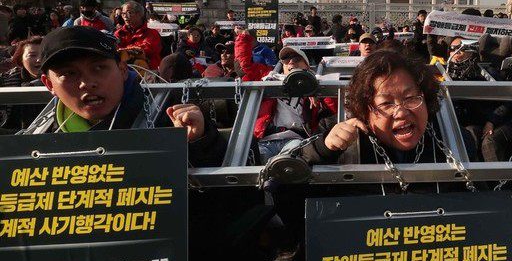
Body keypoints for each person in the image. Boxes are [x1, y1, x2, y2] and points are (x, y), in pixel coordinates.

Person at [24, 26, 225, 163]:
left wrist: (200, 141)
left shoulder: (171, 118)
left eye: (99, 68)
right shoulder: (35, 138)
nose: (87, 83)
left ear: (121, 70)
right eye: (69, 74)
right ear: (49, 84)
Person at [298, 50, 476, 188]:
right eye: (386, 103)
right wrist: (323, 150)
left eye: (411, 98)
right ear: (365, 110)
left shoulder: (452, 139)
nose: (401, 112)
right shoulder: (338, 136)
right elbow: (291, 204)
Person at [237, 30, 336, 162]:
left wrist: (317, 88)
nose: (291, 62)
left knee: (288, 161)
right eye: (286, 60)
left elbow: (334, 111)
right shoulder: (268, 77)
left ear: (307, 66)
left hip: (296, 139)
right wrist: (243, 38)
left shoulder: (316, 83)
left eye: (296, 59)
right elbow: (243, 66)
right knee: (255, 161)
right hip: (265, 138)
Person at [0, 36, 45, 133]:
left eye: (43, 55)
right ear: (21, 60)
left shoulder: (63, 82)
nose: (39, 60)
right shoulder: (4, 81)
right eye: (32, 55)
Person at [114, 1, 163, 70]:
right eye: (123, 13)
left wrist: (125, 51)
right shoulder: (118, 33)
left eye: (129, 13)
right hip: (123, 71)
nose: (125, 16)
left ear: (140, 14)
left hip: (148, 72)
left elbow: (147, 50)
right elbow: (114, 50)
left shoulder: (152, 33)